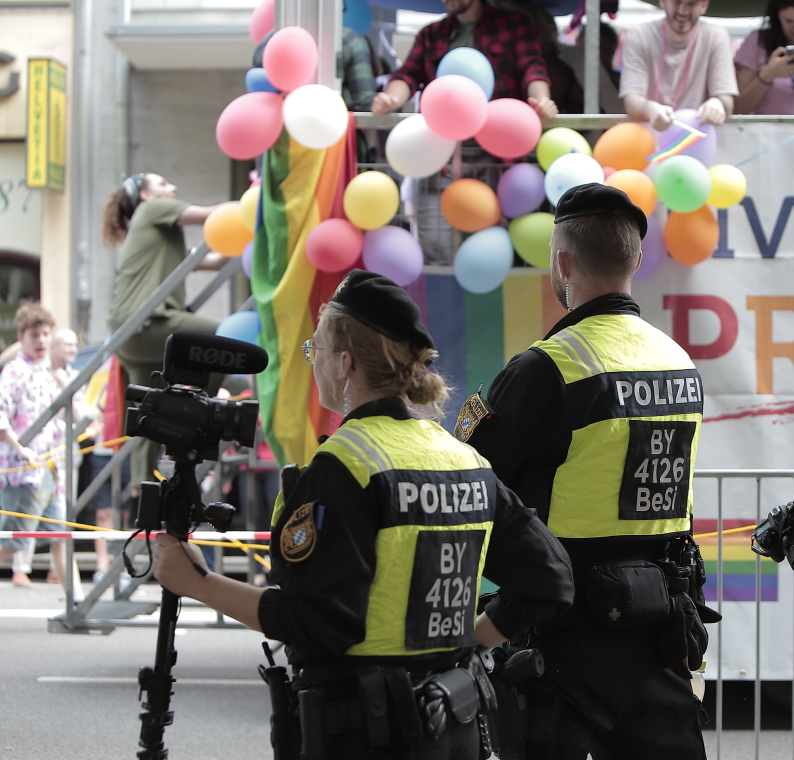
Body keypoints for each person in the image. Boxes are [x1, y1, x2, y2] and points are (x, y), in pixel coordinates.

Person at [153, 270, 574, 758]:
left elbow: (318, 622)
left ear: (344, 364)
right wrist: (464, 649)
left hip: (368, 731)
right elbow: (552, 579)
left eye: (316, 351)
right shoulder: (463, 459)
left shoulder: (344, 466)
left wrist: (198, 584)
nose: (314, 364)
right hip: (456, 723)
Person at [463, 183, 714, 759]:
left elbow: (469, 477)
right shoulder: (678, 361)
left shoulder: (548, 368)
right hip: (660, 627)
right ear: (637, 259)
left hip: (564, 631)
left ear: (562, 262)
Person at [102, 173, 227, 498]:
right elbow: (210, 214)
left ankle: (141, 489)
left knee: (149, 411)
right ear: (146, 195)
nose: (173, 187)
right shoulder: (153, 209)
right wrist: (254, 201)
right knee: (221, 338)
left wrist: (237, 240)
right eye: (163, 183)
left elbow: (211, 263)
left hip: (129, 335)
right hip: (145, 322)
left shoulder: (163, 236)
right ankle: (201, 414)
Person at [0, 304, 81, 596]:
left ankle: (77, 603)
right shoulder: (15, 371)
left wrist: (64, 387)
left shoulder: (50, 372)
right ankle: (78, 604)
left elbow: (75, 418)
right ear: (22, 336)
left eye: (46, 334)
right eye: (35, 335)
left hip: (51, 469)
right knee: (12, 542)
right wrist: (19, 448)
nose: (42, 341)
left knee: (60, 537)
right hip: (25, 472)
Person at [370, 0, 558, 121]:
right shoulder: (430, 34)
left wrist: (541, 100)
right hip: (442, 143)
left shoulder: (513, 24)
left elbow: (532, 68)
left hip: (497, 142)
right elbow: (408, 74)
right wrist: (391, 99)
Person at [619, 0, 737, 130]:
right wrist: (650, 109)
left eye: (692, 3)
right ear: (663, 2)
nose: (683, 11)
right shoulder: (639, 35)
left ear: (704, 5)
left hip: (695, 137)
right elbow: (631, 99)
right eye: (676, 2)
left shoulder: (716, 37)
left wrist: (718, 103)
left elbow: (726, 99)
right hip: (648, 134)